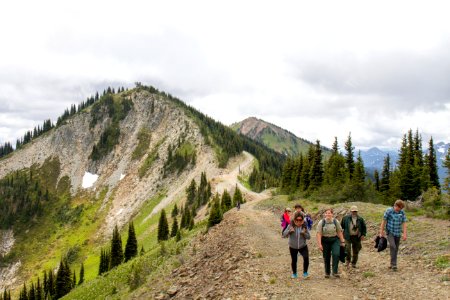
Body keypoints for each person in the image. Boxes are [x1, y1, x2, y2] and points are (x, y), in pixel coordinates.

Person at [317, 208, 346, 278]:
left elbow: (339, 231)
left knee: (336, 254)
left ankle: (335, 272)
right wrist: (319, 244)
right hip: (325, 240)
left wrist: (342, 241)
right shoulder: (321, 222)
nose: (328, 214)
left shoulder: (336, 222)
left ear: (332, 214)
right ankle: (327, 272)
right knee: (326, 256)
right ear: (324, 214)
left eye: (329, 213)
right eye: (326, 213)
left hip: (334, 240)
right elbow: (319, 234)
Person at [379, 199, 407, 271]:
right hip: (390, 232)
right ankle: (394, 265)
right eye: (399, 208)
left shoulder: (402, 212)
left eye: (401, 208)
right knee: (393, 246)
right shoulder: (389, 211)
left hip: (398, 233)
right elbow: (384, 221)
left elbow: (404, 223)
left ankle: (392, 264)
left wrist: (404, 234)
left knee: (395, 249)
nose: (399, 209)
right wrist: (381, 232)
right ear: (395, 205)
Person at [282, 211, 310, 279]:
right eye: (296, 220)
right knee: (294, 260)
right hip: (293, 246)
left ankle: (305, 273)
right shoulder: (290, 226)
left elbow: (309, 237)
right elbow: (284, 235)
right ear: (294, 220)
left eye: (300, 220)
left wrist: (304, 233)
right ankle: (294, 273)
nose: (298, 222)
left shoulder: (304, 227)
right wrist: (289, 231)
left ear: (303, 220)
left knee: (306, 258)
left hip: (302, 246)